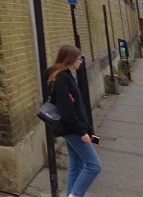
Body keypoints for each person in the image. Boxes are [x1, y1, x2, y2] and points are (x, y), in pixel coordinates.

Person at [47, 44, 101, 197]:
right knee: (93, 166)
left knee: (76, 165)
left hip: (74, 128)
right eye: (79, 59)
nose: (81, 62)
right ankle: (75, 195)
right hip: (73, 129)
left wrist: (87, 129)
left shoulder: (66, 75)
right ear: (70, 59)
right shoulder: (62, 78)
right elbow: (67, 110)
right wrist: (82, 131)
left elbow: (76, 107)